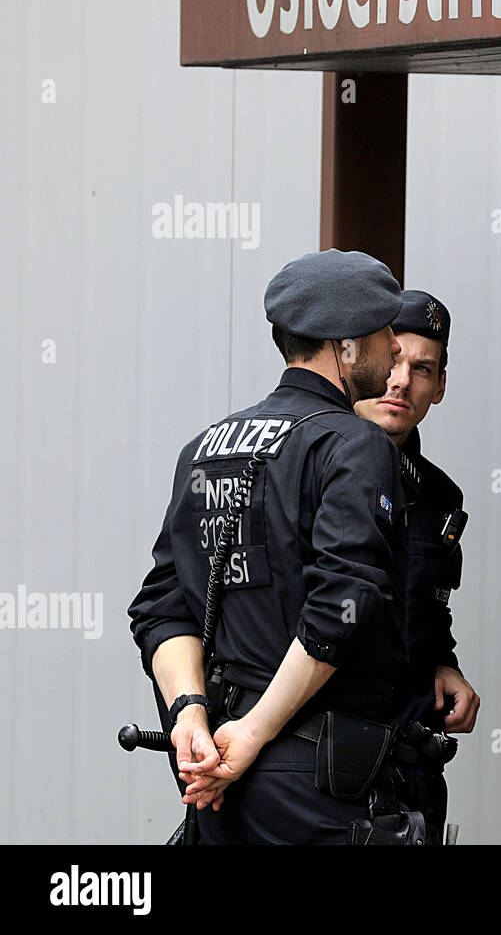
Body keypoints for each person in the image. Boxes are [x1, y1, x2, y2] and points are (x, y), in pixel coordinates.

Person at [128, 248, 415, 845]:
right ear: (346, 346)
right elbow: (344, 605)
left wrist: (191, 715)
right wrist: (254, 731)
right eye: (386, 332)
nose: (395, 349)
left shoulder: (205, 447)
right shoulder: (354, 444)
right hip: (317, 783)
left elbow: (161, 605)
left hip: (220, 778)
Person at [354, 289, 481, 837]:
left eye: (422, 368)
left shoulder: (439, 498)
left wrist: (442, 662)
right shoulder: (302, 465)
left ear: (440, 387)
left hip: (408, 764)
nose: (401, 380)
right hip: (310, 764)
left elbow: (425, 607)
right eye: (393, 359)